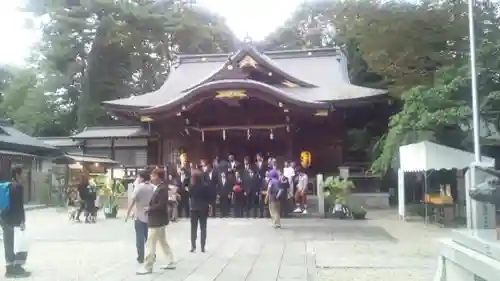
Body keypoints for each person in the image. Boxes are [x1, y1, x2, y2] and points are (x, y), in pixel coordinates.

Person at [137, 168, 176, 275]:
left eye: (153, 176)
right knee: (162, 241)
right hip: (159, 220)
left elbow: (161, 205)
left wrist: (149, 209)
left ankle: (148, 266)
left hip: (157, 220)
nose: (151, 178)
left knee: (150, 243)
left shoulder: (162, 188)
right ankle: (170, 260)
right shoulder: (159, 187)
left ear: (158, 177)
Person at [1, 165, 29, 278]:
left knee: (9, 243)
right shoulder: (18, 187)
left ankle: (11, 266)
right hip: (10, 219)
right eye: (23, 173)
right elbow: (19, 206)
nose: (25, 175)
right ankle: (13, 268)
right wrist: (22, 221)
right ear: (17, 175)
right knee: (18, 243)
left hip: (4, 217)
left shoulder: (8, 186)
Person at [125, 171, 155, 265]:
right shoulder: (153, 188)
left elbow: (133, 201)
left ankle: (140, 257)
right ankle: (152, 254)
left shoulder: (139, 188)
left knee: (139, 237)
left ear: (141, 178)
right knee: (149, 237)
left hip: (139, 215)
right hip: (150, 215)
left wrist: (128, 213)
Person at [189, 169, 215, 253]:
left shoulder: (192, 187)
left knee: (193, 228)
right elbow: (209, 197)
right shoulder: (205, 186)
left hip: (194, 209)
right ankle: (202, 247)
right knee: (203, 228)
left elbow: (189, 195)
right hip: (203, 208)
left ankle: (193, 246)